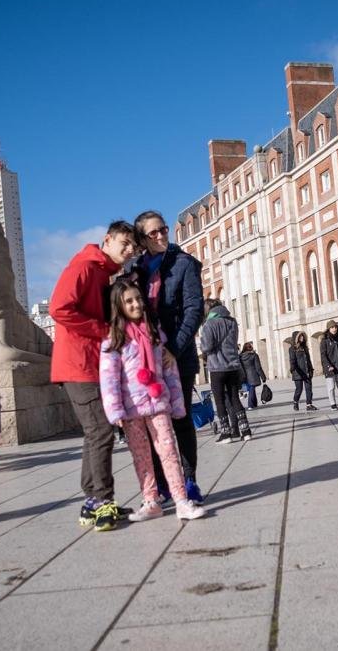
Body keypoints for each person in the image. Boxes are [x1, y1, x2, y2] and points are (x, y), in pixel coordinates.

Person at [50, 220, 138, 531]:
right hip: (77, 364)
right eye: (124, 243)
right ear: (107, 240)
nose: (129, 250)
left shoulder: (103, 272)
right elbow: (59, 308)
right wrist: (103, 331)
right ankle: (103, 500)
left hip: (90, 364)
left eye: (133, 246)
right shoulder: (85, 266)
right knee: (101, 430)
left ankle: (91, 502)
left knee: (95, 432)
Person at [99, 280, 206, 522]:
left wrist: (177, 402)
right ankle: (151, 500)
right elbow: (109, 379)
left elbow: (169, 371)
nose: (136, 304)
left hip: (158, 402)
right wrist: (115, 411)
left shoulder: (154, 333)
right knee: (141, 456)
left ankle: (181, 500)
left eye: (138, 299)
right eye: (129, 301)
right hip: (132, 409)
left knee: (168, 451)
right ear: (119, 306)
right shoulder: (114, 340)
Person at [130, 210, 205, 504]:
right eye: (154, 233)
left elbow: (194, 310)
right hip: (146, 359)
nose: (161, 235)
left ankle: (189, 481)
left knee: (181, 419)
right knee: (151, 423)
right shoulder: (136, 269)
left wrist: (174, 348)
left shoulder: (183, 263)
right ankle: (162, 484)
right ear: (142, 239)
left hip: (177, 356)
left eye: (163, 229)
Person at [200, 299, 250, 444]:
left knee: (220, 400)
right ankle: (246, 431)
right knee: (235, 398)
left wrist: (203, 348)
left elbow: (207, 346)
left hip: (217, 367)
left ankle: (226, 433)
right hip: (233, 366)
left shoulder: (209, 324)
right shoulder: (232, 321)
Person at [288, 332, 317, 412]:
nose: (302, 338)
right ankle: (295, 402)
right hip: (298, 372)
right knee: (299, 389)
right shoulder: (292, 349)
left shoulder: (305, 347)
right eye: (300, 336)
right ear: (296, 338)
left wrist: (311, 369)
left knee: (309, 389)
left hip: (307, 371)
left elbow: (308, 360)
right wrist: (293, 369)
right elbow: (292, 360)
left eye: (302, 336)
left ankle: (309, 404)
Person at [238, 342, 265, 409]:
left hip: (244, 374)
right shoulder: (254, 355)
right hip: (253, 374)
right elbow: (258, 367)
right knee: (251, 389)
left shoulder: (240, 356)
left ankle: (254, 403)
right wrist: (263, 377)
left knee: (251, 388)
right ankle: (250, 405)